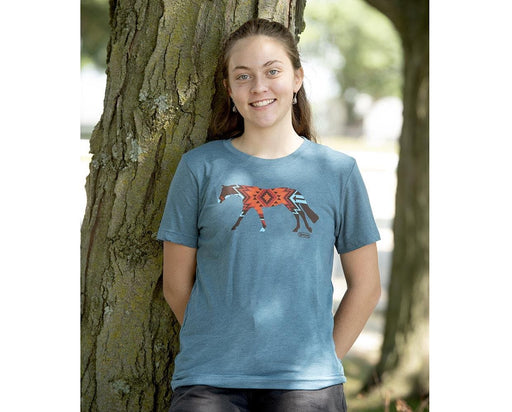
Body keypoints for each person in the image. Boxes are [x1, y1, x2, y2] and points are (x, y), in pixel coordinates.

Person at [157, 18, 381, 412]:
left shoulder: (337, 172)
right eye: (243, 76)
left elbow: (366, 286)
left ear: (297, 78)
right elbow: (176, 285)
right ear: (229, 90)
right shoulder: (198, 169)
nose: (259, 87)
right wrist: (220, 345)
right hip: (209, 382)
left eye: (272, 71)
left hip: (307, 385)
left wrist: (324, 362)